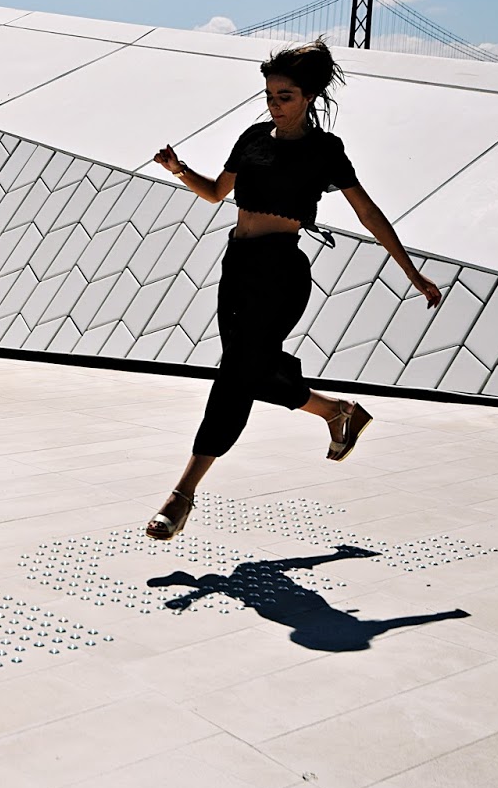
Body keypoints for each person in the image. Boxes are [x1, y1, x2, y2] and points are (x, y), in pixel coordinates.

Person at [145, 39, 442, 540]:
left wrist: (411, 272)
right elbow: (216, 193)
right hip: (237, 267)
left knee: (236, 375)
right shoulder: (252, 138)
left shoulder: (324, 151)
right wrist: (178, 169)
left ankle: (182, 494)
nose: (274, 105)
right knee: (251, 372)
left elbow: (367, 212)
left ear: (309, 97)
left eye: (284, 96)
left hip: (281, 272)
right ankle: (337, 412)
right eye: (269, 95)